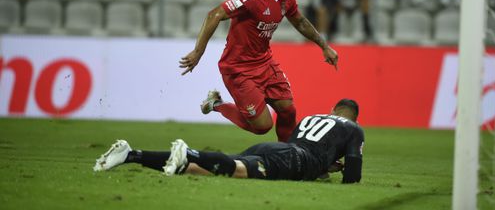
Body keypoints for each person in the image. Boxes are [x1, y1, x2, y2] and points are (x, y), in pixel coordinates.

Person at [180, 0, 338, 142]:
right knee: (263, 126)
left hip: (265, 63)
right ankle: (217, 104)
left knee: (288, 110)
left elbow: (301, 22)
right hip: (238, 69)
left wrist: (324, 46)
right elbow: (214, 15)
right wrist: (198, 52)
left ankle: (288, 157)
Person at [93, 99, 364, 184]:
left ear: (333, 110)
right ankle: (189, 152)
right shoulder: (354, 129)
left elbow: (303, 147)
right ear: (354, 118)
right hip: (290, 160)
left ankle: (132, 155)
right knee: (232, 169)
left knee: (211, 169)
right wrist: (334, 169)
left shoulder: (312, 117)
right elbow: (352, 177)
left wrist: (326, 165)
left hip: (276, 150)